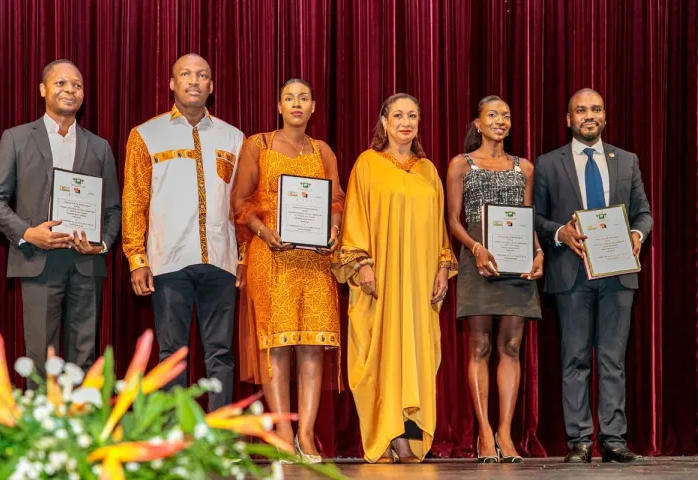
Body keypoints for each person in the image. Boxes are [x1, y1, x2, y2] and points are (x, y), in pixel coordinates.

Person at [333, 93, 457, 464]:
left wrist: (442, 269)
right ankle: (384, 434)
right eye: (398, 115)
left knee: (416, 354)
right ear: (384, 121)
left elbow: (439, 228)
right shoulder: (367, 165)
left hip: (418, 283)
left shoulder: (428, 170)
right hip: (381, 281)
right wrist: (362, 263)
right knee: (379, 351)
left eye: (413, 116)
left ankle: (406, 435)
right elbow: (354, 216)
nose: (406, 122)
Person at [533, 88, 652, 463]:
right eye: (581, 110)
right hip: (572, 273)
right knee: (575, 359)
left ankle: (614, 439)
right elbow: (534, 216)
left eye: (596, 109)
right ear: (569, 119)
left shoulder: (627, 160)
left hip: (618, 273)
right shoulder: (549, 164)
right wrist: (559, 233)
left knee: (613, 360)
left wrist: (636, 234)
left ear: (605, 116)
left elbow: (643, 213)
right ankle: (579, 441)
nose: (589, 115)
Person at [0, 59, 121, 383]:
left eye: (76, 84)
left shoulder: (99, 147)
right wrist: (28, 234)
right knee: (40, 359)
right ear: (43, 89)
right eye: (61, 83)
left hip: (85, 265)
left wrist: (101, 244)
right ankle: (42, 433)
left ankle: (84, 431)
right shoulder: (16, 138)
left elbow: (113, 210)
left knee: (85, 360)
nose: (70, 90)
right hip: (38, 262)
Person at [121, 53, 244, 411]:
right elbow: (134, 200)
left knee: (220, 352)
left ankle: (219, 437)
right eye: (186, 74)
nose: (194, 80)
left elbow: (243, 204)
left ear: (212, 85)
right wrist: (136, 258)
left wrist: (244, 257)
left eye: (202, 75)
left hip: (221, 260)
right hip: (168, 261)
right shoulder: (146, 135)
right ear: (172, 83)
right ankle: (173, 441)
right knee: (171, 354)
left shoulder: (234, 138)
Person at [231, 79, 344, 463]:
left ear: (313, 107)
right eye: (289, 98)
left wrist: (333, 229)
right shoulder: (257, 145)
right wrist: (265, 232)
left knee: (313, 345)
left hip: (315, 261)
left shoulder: (322, 150)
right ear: (278, 105)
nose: (297, 104)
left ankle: (307, 436)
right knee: (277, 346)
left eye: (304, 98)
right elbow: (241, 204)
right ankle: (283, 433)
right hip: (273, 257)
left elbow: (337, 200)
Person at [446, 95, 543, 463]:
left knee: (512, 347)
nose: (500, 121)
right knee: (480, 347)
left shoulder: (525, 168)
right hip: (479, 260)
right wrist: (475, 248)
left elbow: (528, 217)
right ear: (478, 123)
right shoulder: (462, 165)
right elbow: (452, 219)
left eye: (506, 115)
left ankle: (505, 431)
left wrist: (538, 252)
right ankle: (484, 433)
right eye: (492, 115)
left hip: (517, 263)